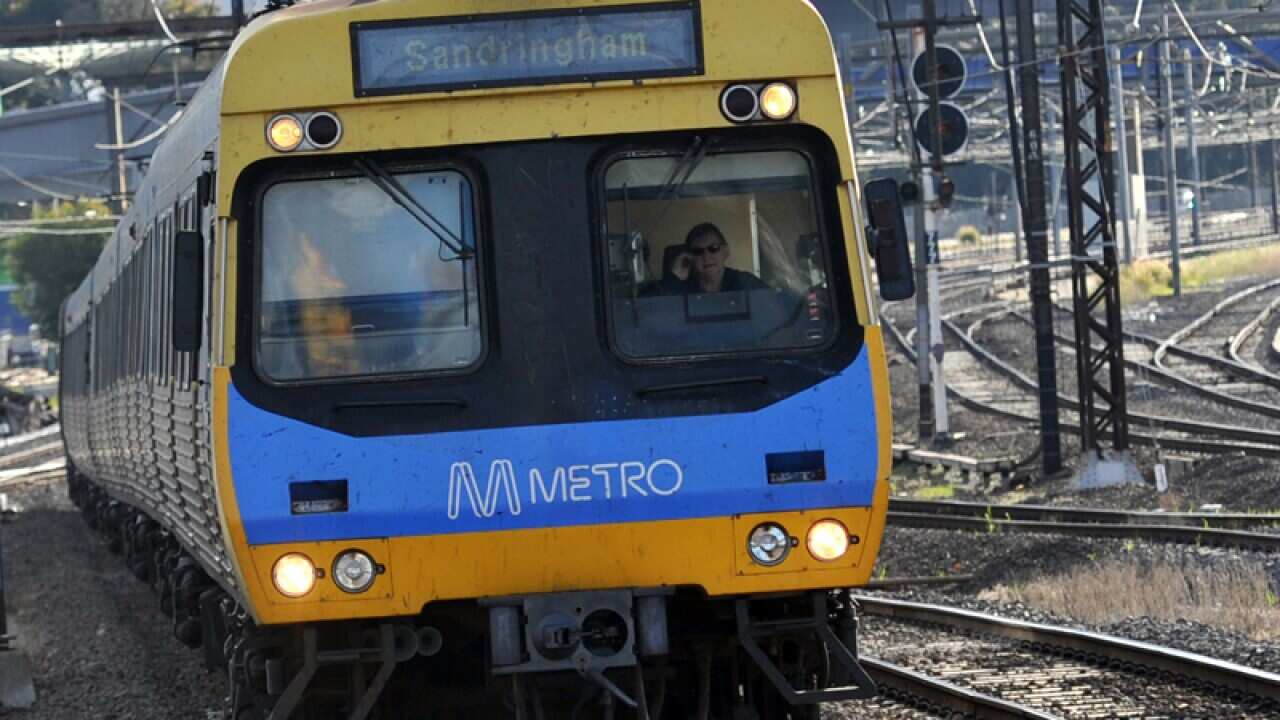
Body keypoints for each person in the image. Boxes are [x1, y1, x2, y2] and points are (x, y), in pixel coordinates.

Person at [681, 222, 767, 293]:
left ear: (726, 251)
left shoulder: (745, 282)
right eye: (698, 251)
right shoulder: (682, 288)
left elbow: (774, 306)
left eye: (713, 248)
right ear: (689, 257)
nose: (706, 256)